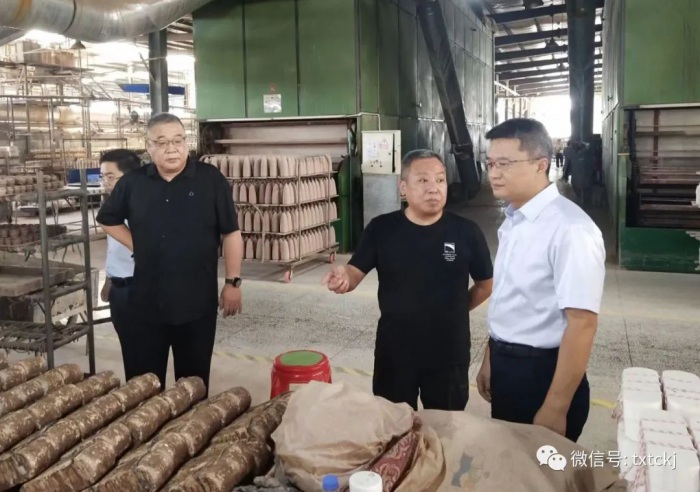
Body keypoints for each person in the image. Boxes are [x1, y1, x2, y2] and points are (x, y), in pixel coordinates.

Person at [322, 149, 493, 411]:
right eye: (423, 180)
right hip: (395, 352)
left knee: (446, 425)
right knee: (394, 423)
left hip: (448, 352)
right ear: (403, 188)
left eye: (440, 179)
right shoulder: (382, 229)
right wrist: (344, 277)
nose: (434, 188)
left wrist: (456, 309)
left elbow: (485, 285)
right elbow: (355, 271)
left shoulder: (466, 232)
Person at [476, 118, 605, 442]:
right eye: (490, 164)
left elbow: (582, 324)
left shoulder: (570, 229)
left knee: (542, 469)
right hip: (508, 366)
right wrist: (491, 357)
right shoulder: (513, 221)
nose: (494, 173)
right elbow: (510, 299)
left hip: (543, 375)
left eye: (505, 163)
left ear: (541, 164)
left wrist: (556, 407)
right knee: (512, 462)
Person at [96, 112, 244, 395]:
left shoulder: (210, 180)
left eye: (178, 140)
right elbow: (107, 219)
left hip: (196, 304)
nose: (172, 149)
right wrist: (138, 245)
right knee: (143, 387)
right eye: (162, 142)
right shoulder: (134, 183)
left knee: (192, 386)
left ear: (186, 142)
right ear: (148, 146)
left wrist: (233, 282)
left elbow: (231, 233)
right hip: (146, 304)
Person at [99, 149, 142, 381]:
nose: (105, 182)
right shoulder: (112, 207)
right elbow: (114, 248)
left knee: (142, 354)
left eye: (110, 176)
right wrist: (109, 281)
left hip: (138, 288)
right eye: (102, 177)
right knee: (129, 351)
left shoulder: (141, 209)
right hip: (119, 288)